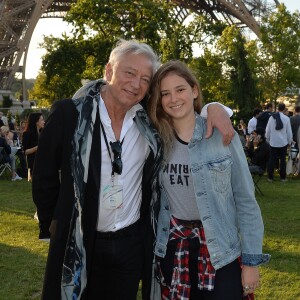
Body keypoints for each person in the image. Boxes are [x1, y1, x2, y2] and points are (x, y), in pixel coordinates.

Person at [32, 40, 234, 300]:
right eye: (129, 73)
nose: (136, 84)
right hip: (81, 242)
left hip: (130, 245)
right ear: (108, 71)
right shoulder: (69, 115)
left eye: (145, 79)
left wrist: (213, 108)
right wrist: (57, 228)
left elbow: (182, 107)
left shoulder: (149, 121)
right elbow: (44, 178)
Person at [147, 60, 270, 300]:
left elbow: (245, 200)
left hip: (220, 248)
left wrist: (251, 261)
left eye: (180, 89)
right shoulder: (156, 138)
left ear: (194, 90)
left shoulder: (222, 134)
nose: (174, 98)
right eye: (165, 93)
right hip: (174, 248)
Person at [265, 102, 293, 182]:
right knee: (283, 160)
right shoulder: (286, 119)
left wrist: (267, 138)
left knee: (272, 159)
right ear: (284, 109)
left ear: (277, 108)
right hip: (283, 142)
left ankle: (270, 177)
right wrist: (289, 141)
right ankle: (283, 177)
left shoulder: (271, 118)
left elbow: (268, 130)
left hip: (273, 141)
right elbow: (289, 132)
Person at [22, 112, 45, 180]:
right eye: (42, 120)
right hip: (33, 163)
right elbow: (25, 151)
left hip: (44, 161)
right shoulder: (27, 134)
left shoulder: (42, 132)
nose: (44, 122)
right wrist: (37, 148)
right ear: (36, 122)